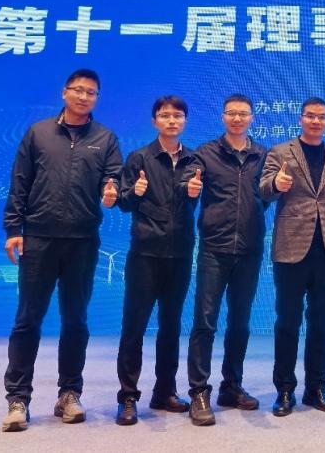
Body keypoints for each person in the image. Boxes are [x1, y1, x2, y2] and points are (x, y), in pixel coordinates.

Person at [1, 69, 122, 432]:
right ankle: (18, 399)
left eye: (91, 92)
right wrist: (14, 229)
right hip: (39, 238)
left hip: (82, 241)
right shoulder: (38, 133)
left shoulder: (105, 138)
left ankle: (69, 393)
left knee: (76, 320)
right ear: (65, 92)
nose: (84, 97)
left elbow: (112, 179)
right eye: (78, 90)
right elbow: (20, 182)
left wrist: (111, 192)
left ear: (97, 99)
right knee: (27, 320)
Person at [260, 98, 325, 417]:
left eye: (322, 117)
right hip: (290, 249)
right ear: (300, 119)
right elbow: (263, 190)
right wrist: (276, 183)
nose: (316, 121)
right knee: (288, 321)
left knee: (321, 323)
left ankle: (316, 388)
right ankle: (284, 390)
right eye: (310, 116)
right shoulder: (280, 152)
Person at [184, 94, 268, 426]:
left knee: (240, 323)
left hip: (250, 249)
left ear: (251, 117)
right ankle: (199, 391)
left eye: (243, 114)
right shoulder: (205, 153)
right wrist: (190, 188)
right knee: (205, 321)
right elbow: (188, 184)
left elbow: (267, 194)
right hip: (214, 249)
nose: (237, 118)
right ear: (222, 117)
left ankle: (231, 386)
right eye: (231, 113)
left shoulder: (262, 155)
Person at [114, 96, 198, 425]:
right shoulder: (139, 158)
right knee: (134, 326)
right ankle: (128, 396)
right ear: (154, 122)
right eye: (165, 115)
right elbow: (122, 203)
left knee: (171, 326)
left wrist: (195, 194)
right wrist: (134, 193)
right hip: (145, 254)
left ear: (185, 121)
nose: (172, 120)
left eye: (177, 115)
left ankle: (165, 391)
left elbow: (192, 203)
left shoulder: (194, 159)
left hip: (180, 253)